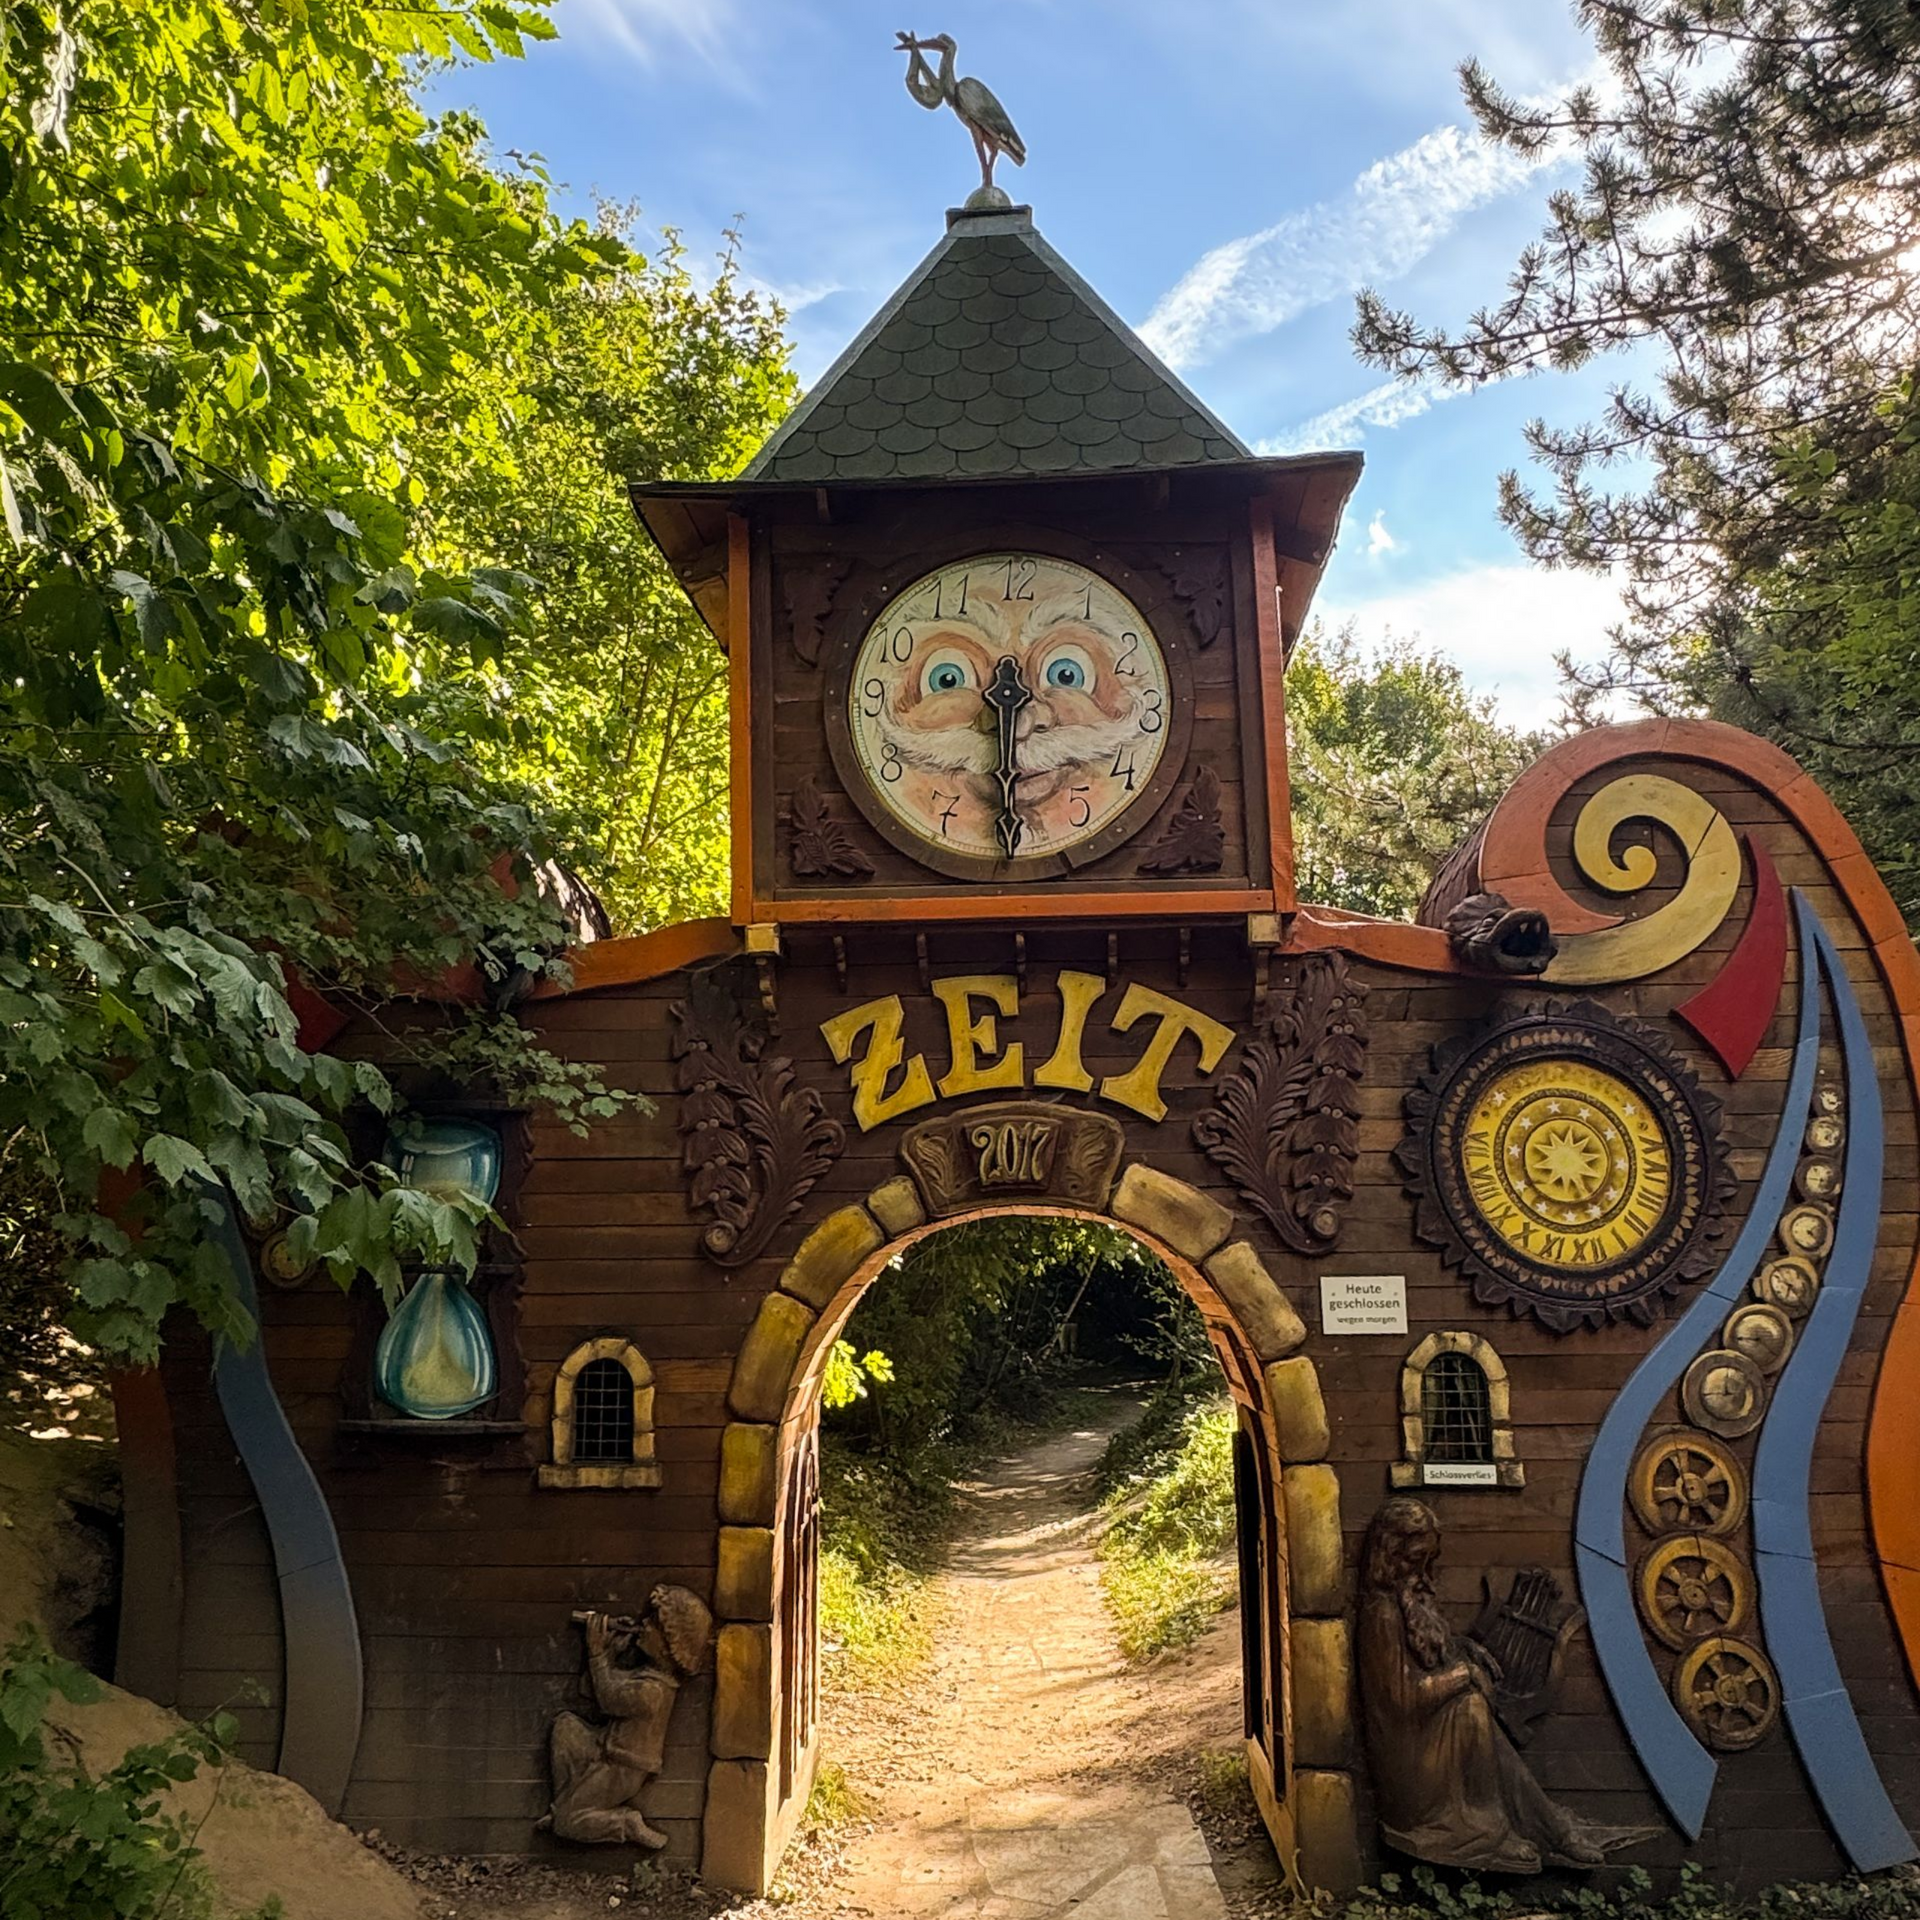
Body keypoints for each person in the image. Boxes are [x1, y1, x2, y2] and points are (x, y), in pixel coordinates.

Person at [1357, 1497, 1605, 1873]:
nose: (1421, 1573)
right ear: (1391, 1555)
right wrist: (1465, 1674)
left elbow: (1429, 1651)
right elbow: (1404, 1699)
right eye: (1413, 1561)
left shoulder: (1409, 1603)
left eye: (1428, 1561)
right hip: (1409, 1764)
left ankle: (1547, 1826)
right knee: (1471, 1707)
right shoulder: (1382, 1614)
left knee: (1477, 1716)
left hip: (1430, 1744)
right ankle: (1496, 1828)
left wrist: (1464, 1649)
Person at [543, 1586, 713, 1848]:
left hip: (622, 1769)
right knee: (565, 1728)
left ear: (669, 1647)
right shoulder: (648, 1676)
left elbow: (609, 1699)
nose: (643, 1623)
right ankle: (571, 1805)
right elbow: (591, 1690)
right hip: (604, 1748)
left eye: (653, 1623)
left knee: (566, 1824)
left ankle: (622, 1822)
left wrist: (597, 1652)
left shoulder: (653, 1691)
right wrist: (610, 1654)